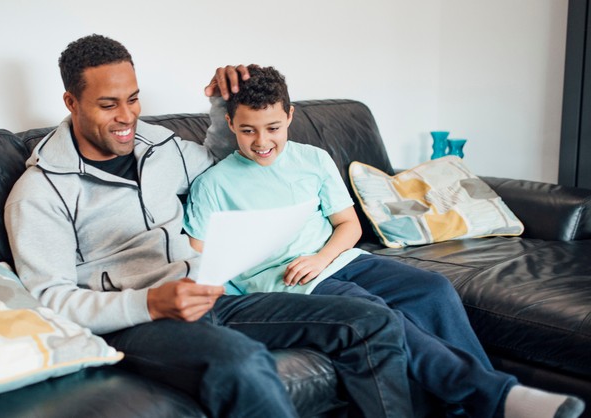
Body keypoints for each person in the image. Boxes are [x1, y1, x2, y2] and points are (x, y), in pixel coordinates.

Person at [4, 34, 415, 418]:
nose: (127, 116)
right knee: (243, 363)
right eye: (108, 105)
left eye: (133, 99)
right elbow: (50, 301)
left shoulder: (159, 146)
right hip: (135, 322)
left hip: (210, 296)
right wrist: (148, 303)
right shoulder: (39, 193)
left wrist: (223, 101)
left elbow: (223, 163)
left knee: (369, 320)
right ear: (71, 103)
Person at [182, 64, 586, 418]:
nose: (262, 141)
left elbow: (348, 225)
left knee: (434, 289)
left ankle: (476, 405)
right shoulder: (213, 184)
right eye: (248, 130)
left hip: (336, 259)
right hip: (286, 279)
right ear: (231, 124)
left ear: (290, 116)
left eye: (273, 127)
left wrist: (323, 256)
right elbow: (201, 260)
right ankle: (498, 398)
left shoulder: (313, 160)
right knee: (376, 313)